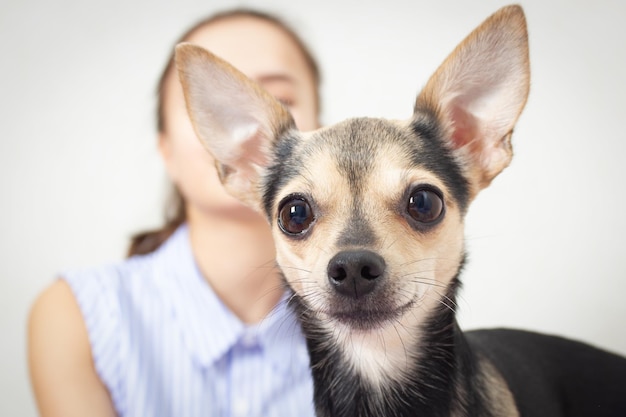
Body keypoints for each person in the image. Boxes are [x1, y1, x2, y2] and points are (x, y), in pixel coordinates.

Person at [28, 8, 321, 417]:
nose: (246, 125)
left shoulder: (392, 307)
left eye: (279, 98)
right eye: (210, 103)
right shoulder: (79, 316)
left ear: (323, 133)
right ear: (165, 150)